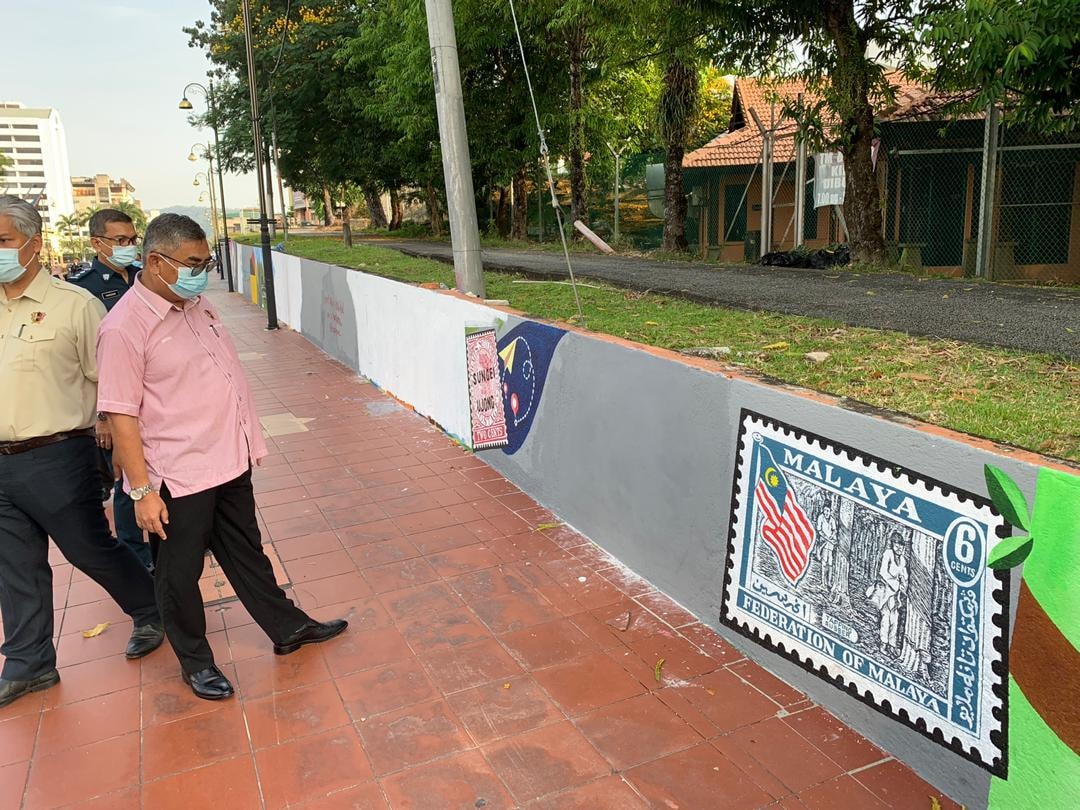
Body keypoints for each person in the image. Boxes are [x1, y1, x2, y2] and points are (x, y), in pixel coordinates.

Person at [97, 213, 347, 701]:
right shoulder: (124, 328)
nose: (202, 271)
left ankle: (287, 628)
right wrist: (143, 492)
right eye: (194, 263)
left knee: (247, 551)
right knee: (179, 575)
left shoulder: (193, 304)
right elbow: (122, 416)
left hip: (227, 460)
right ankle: (196, 662)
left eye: (206, 260)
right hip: (177, 475)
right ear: (155, 261)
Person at [0, 196, 164, 709]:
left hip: (58, 452)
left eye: (3, 241)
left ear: (34, 242)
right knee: (14, 564)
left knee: (89, 548)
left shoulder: (78, 305)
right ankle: (29, 664)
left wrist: (120, 449)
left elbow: (112, 387)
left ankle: (152, 609)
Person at [68, 209, 151, 570]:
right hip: (113, 404)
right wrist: (102, 416)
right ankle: (136, 550)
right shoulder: (83, 290)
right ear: (97, 243)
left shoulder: (142, 277)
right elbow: (88, 361)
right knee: (127, 478)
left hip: (149, 395)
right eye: (120, 241)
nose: (128, 247)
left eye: (132, 240)